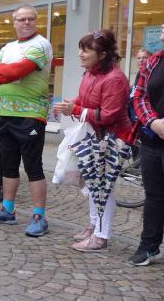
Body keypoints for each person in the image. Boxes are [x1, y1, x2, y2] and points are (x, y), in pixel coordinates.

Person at [54, 30, 132, 253]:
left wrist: (75, 109)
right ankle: (94, 226)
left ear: (102, 54)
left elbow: (108, 115)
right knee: (92, 183)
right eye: (81, 48)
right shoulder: (91, 72)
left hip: (112, 138)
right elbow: (85, 98)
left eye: (86, 50)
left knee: (103, 188)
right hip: (96, 136)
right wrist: (72, 104)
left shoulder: (115, 78)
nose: (80, 54)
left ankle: (101, 235)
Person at [0, 4, 53, 237]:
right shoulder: (9, 47)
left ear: (36, 21)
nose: (26, 22)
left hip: (31, 115)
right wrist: (6, 72)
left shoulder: (40, 44)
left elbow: (18, 71)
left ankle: (39, 217)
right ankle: (7, 210)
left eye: (30, 18)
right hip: (6, 113)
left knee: (33, 167)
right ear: (14, 22)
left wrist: (5, 72)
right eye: (21, 19)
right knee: (8, 165)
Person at [130, 8, 164, 276]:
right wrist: (153, 122)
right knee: (154, 197)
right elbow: (139, 96)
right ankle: (149, 246)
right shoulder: (155, 60)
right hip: (152, 141)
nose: (163, 25)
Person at [129, 47, 152, 123]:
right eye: (139, 58)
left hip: (143, 118)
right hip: (133, 117)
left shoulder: (151, 75)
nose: (141, 60)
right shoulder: (139, 73)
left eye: (144, 58)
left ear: (150, 59)